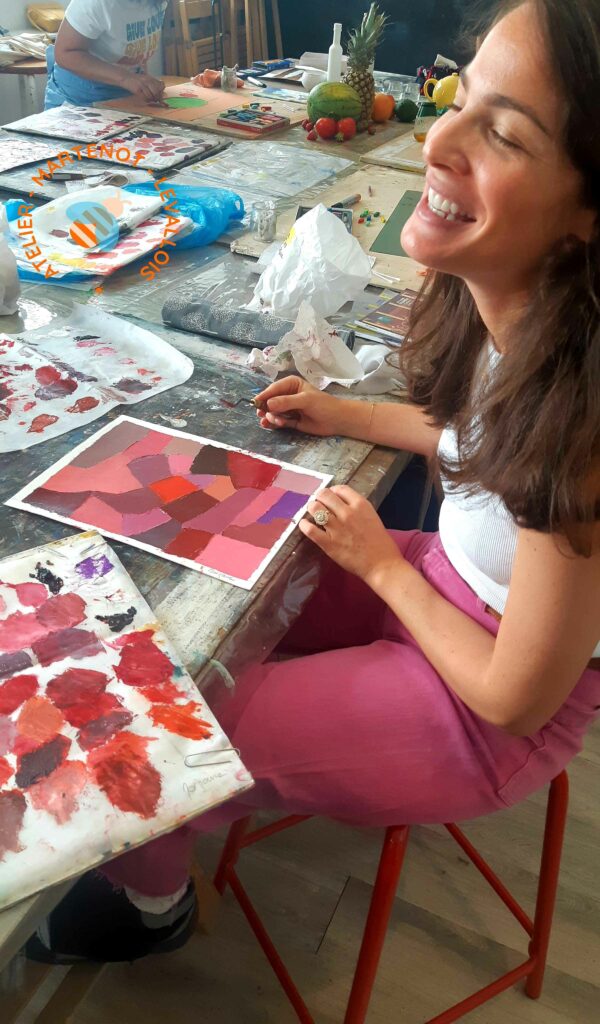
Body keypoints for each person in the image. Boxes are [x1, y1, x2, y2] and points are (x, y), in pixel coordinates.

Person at [28, 0, 600, 965]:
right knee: (175, 592)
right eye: (460, 99)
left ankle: (150, 907)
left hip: (483, 710)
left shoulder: (584, 426)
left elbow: (514, 699)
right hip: (441, 592)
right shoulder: (525, 325)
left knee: (175, 729)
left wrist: (384, 569)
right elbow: (476, 441)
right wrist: (345, 414)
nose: (440, 139)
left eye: (504, 134)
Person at [45, 0, 167, 109]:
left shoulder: (157, 3)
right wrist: (127, 78)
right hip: (80, 98)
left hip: (123, 92)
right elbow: (66, 53)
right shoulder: (96, 3)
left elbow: (135, 44)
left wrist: (144, 83)